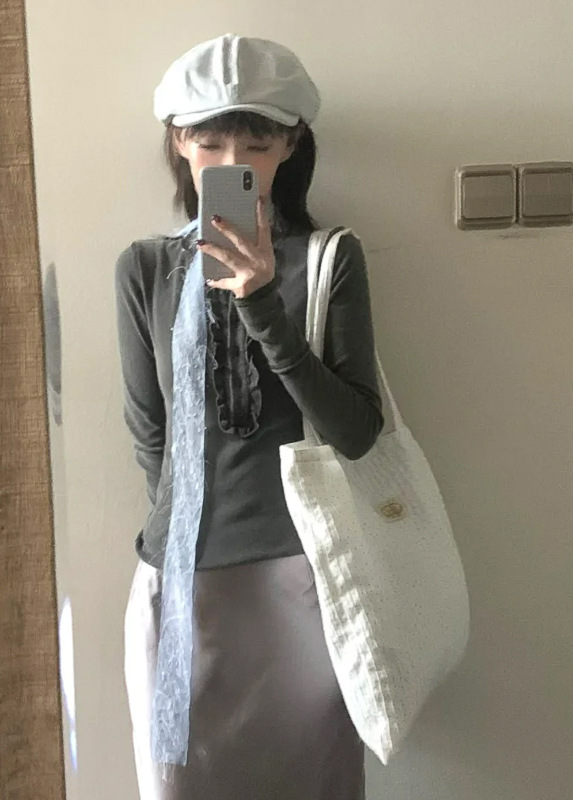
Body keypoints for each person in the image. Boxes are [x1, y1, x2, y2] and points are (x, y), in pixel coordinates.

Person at [115, 33, 382, 800]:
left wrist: (262, 300)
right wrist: (182, 546)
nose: (230, 162)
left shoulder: (331, 259)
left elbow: (357, 433)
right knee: (177, 784)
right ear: (178, 141)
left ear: (291, 146)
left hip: (305, 584)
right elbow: (151, 435)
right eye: (209, 142)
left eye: (256, 145)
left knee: (315, 783)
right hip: (179, 589)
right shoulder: (145, 267)